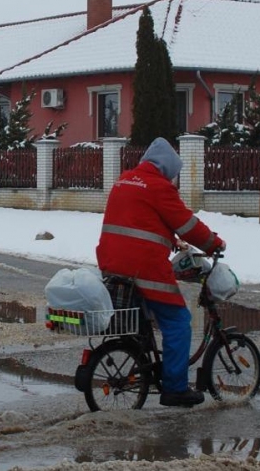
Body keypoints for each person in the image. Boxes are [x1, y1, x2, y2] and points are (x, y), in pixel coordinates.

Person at [96, 137, 226, 407]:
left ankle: (145, 362)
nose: (175, 178)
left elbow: (141, 220)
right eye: (175, 172)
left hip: (112, 263)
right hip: (143, 268)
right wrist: (214, 243)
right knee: (178, 322)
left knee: (143, 321)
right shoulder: (159, 187)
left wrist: (170, 239)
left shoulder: (124, 180)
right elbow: (187, 224)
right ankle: (175, 389)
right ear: (166, 167)